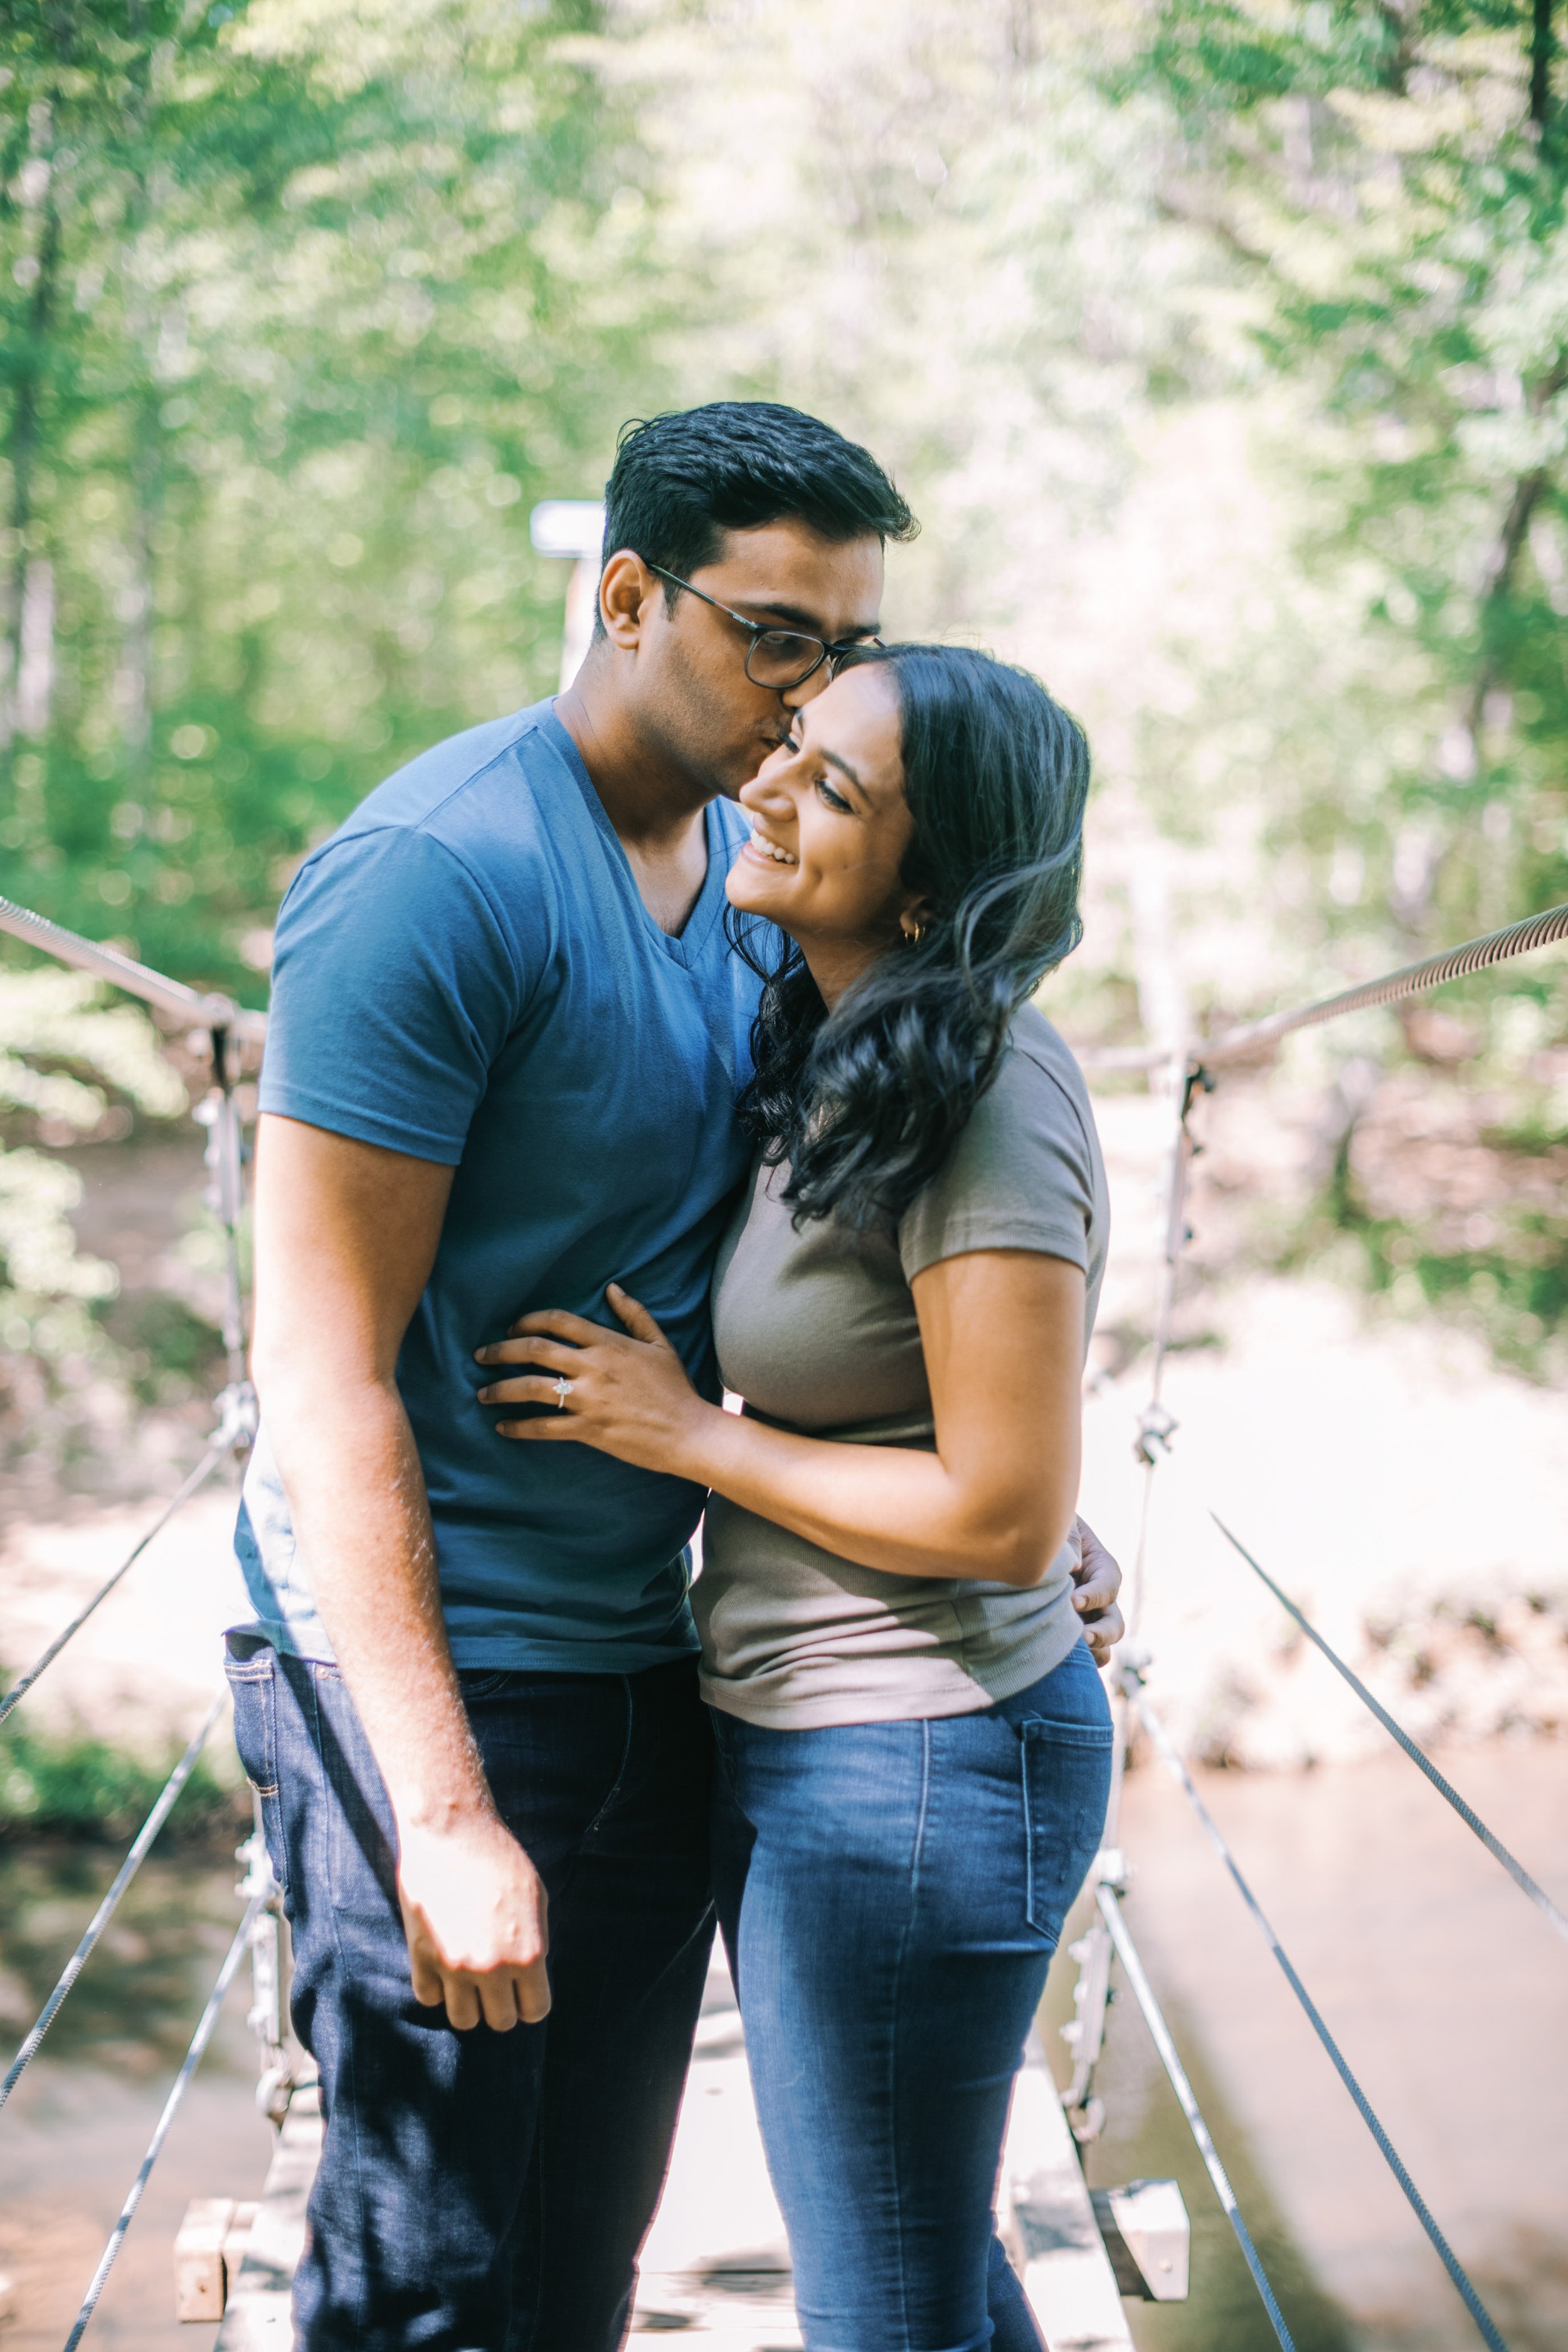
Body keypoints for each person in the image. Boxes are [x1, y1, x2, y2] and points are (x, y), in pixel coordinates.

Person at [230, 398, 1122, 2349]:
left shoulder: (754, 878)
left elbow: (869, 1264)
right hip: (447, 1692)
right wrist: (442, 1812)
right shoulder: (431, 878)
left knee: (570, 2278)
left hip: (661, 1675)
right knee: (427, 2297)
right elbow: (319, 1378)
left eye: (842, 650)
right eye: (777, 638)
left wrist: (1014, 1501)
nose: (808, 699)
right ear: (629, 597)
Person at [474, 640, 1113, 2352]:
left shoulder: (983, 1084)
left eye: (833, 789)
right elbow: (959, 1426)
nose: (766, 783)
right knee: (919, 2258)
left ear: (934, 883)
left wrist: (686, 1436)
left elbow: (996, 1512)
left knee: (879, 2307)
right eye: (789, 746)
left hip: (913, 1762)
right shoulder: (828, 1037)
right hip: (826, 1739)